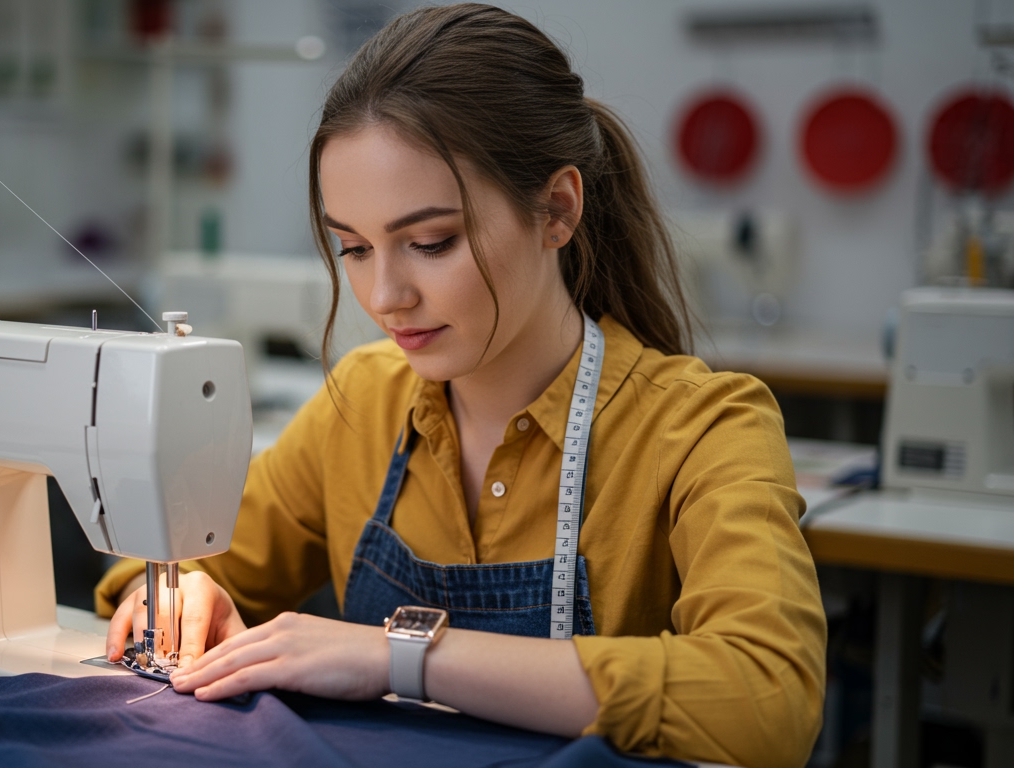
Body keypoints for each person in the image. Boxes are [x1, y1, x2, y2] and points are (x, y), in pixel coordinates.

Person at [98, 5, 825, 766]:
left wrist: (397, 657)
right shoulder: (364, 403)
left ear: (557, 210)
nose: (385, 298)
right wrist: (177, 593)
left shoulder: (704, 428)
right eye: (354, 248)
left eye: (431, 242)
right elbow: (180, 561)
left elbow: (768, 697)